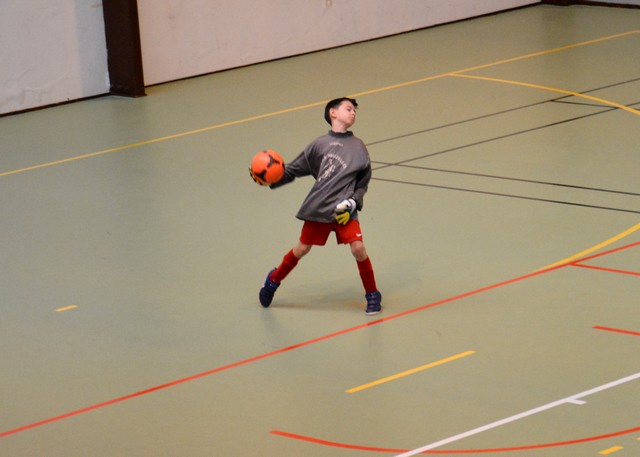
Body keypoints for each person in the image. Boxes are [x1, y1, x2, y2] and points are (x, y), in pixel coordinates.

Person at [251, 97, 382, 315]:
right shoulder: (319, 144)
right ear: (333, 113)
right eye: (348, 108)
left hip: (344, 211)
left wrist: (353, 201)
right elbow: (294, 169)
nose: (353, 113)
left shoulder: (359, 146)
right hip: (319, 208)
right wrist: (269, 178)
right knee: (302, 249)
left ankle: (373, 295)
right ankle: (273, 280)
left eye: (355, 111)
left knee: (358, 249)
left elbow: (363, 180)